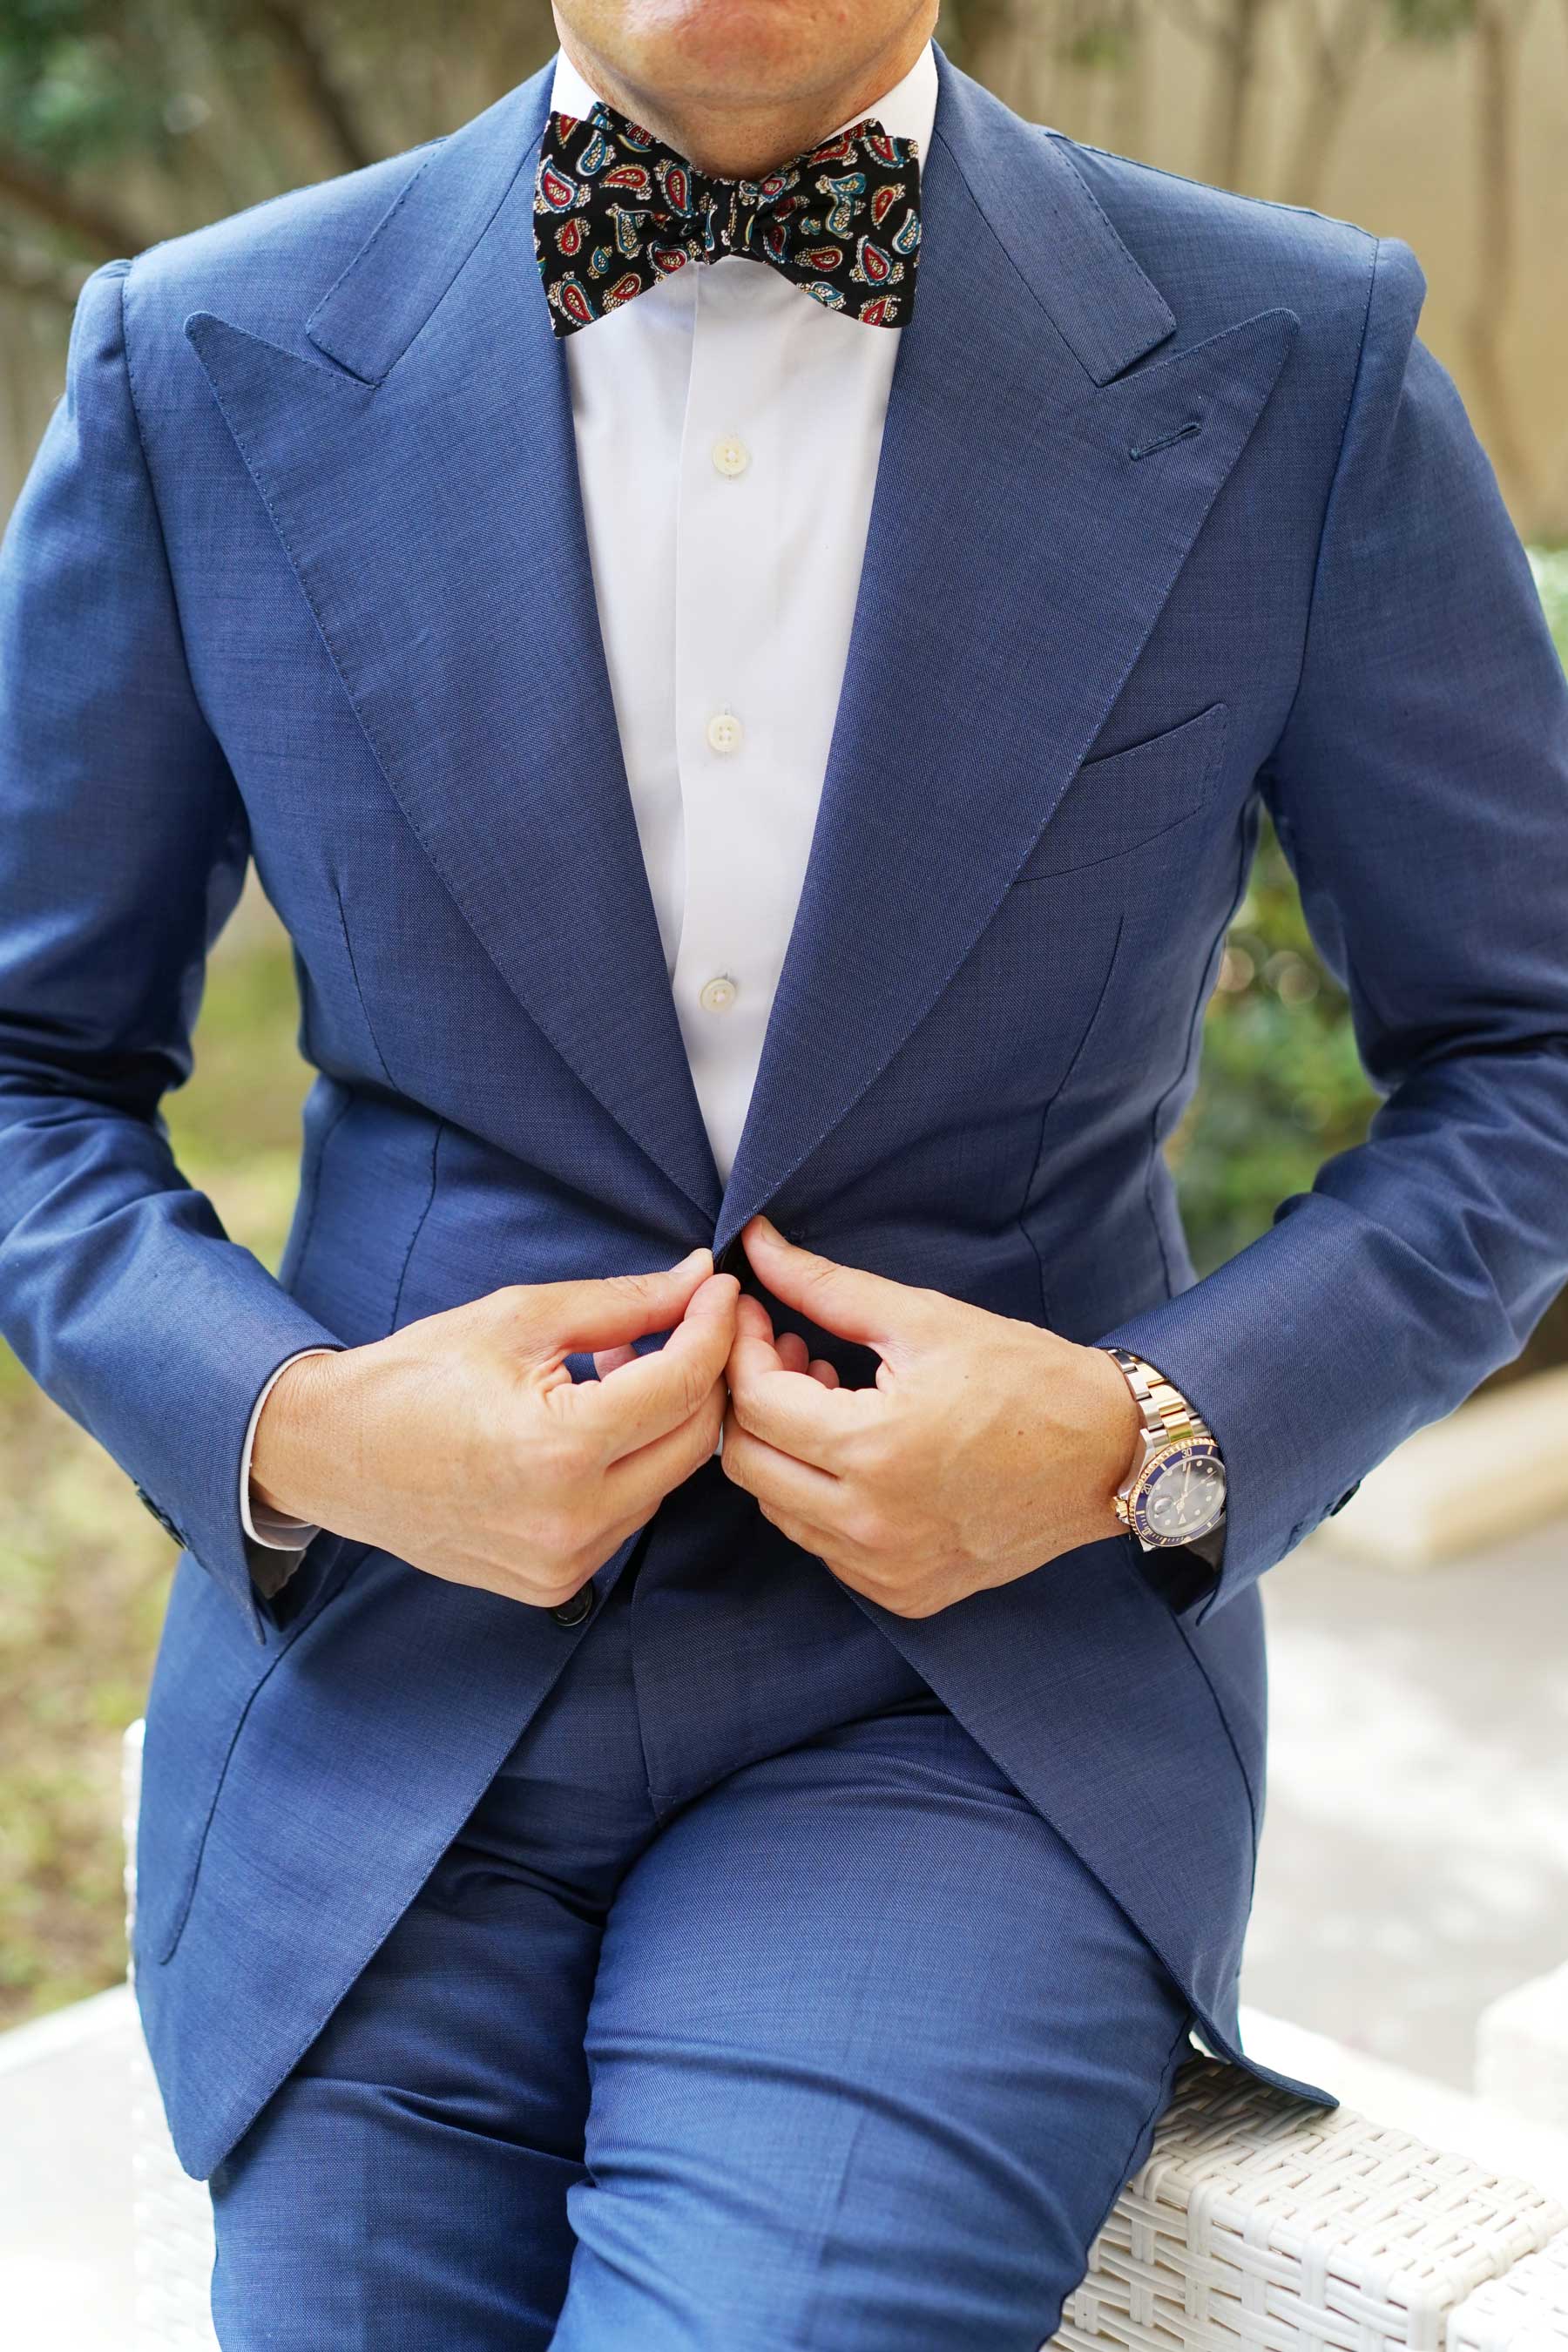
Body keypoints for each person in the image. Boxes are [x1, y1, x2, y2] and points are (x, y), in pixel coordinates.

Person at [2, 0, 1565, 2341]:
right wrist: (302, 1426)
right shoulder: (195, 353)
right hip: (391, 1705)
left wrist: (1150, 1436)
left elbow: (1530, 1045)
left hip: (967, 1709)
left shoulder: (1295, 357)